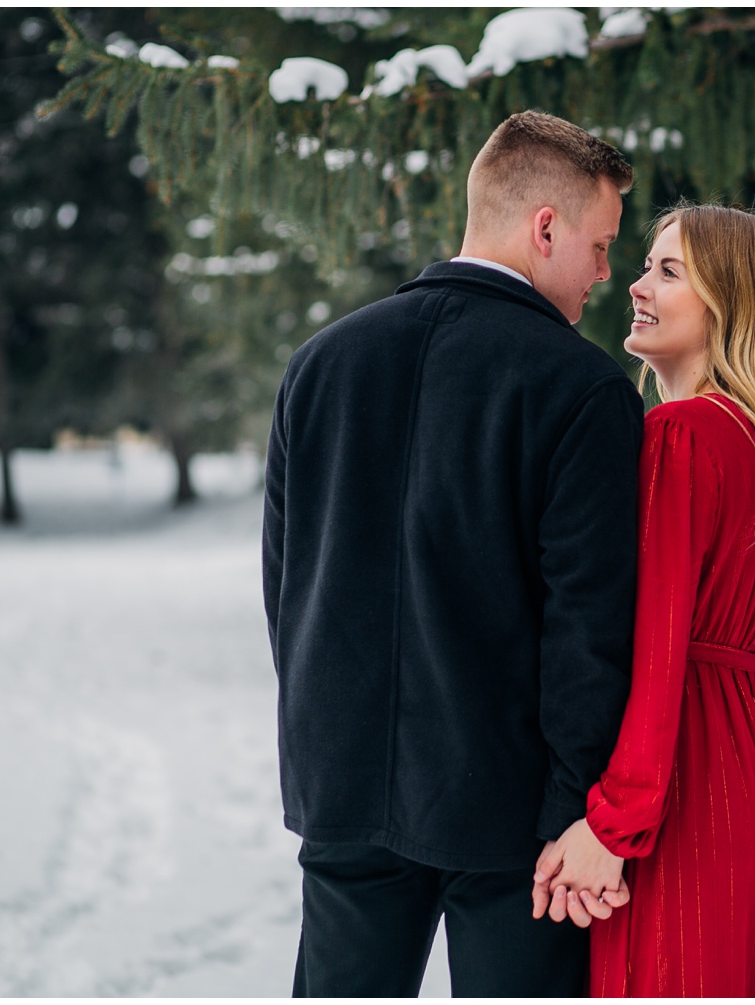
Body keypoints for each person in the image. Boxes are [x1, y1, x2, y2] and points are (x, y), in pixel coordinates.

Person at [261, 110, 642, 997]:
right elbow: (592, 627)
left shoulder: (319, 364)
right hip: (517, 815)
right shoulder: (582, 390)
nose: (605, 271)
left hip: (344, 784)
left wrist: (326, 739)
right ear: (545, 227)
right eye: (601, 242)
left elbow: (288, 586)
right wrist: (575, 812)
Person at [531, 203, 755, 997]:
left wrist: (612, 825)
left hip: (681, 793)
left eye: (670, 272)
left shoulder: (684, 436)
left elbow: (658, 654)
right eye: (645, 263)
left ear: (730, 304)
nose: (635, 284)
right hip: (753, 778)